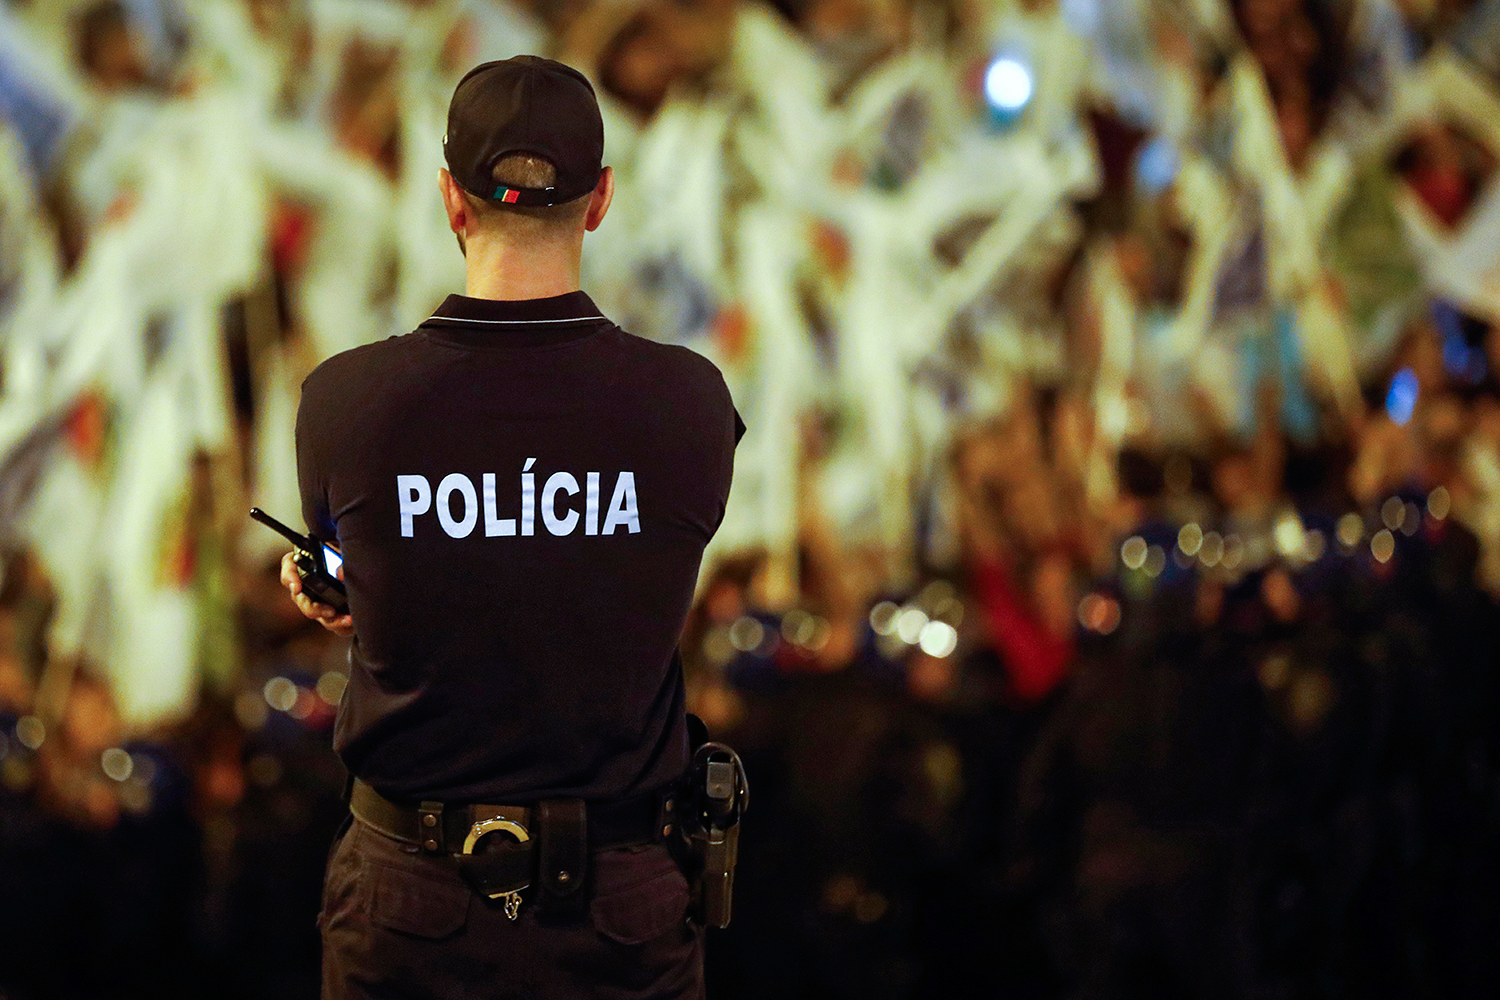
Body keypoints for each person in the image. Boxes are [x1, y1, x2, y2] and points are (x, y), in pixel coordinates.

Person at [280, 55, 743, 1000]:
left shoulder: (343, 402)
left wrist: (357, 591)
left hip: (410, 909)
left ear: (450, 199)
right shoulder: (691, 403)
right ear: (600, 200)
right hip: (620, 913)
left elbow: (392, 569)